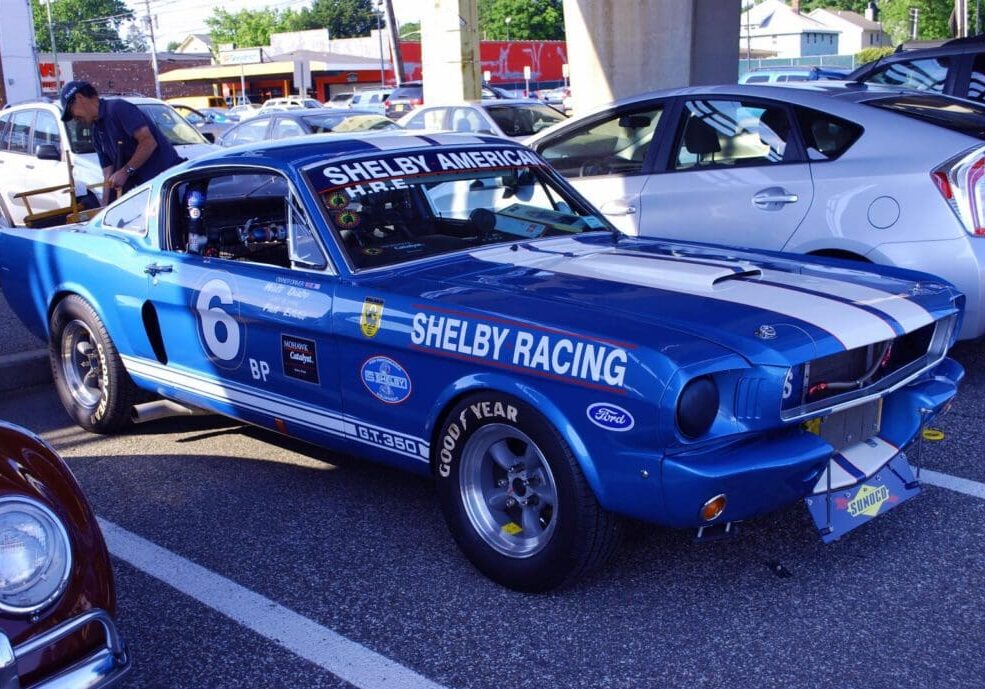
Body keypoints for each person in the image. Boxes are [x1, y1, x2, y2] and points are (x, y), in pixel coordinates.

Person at [59, 81, 183, 201]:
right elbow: (108, 173)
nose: (74, 118)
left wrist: (125, 171)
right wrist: (104, 208)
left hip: (167, 186)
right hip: (146, 194)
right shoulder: (96, 132)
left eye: (71, 112)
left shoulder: (118, 108)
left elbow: (148, 142)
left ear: (79, 97)